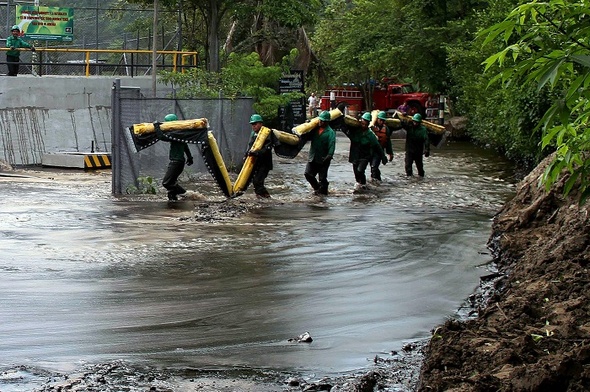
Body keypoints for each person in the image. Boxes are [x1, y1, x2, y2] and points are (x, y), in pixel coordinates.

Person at [342, 111, 387, 190]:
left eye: (366, 124)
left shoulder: (370, 134)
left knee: (360, 170)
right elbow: (345, 130)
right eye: (362, 123)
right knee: (356, 173)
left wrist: (383, 157)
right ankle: (360, 185)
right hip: (355, 154)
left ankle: (363, 185)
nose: (364, 126)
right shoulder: (355, 130)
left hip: (364, 156)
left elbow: (377, 146)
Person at [154, 113, 194, 201]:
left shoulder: (175, 134)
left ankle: (187, 195)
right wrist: (190, 157)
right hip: (179, 162)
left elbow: (162, 137)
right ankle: (173, 201)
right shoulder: (180, 133)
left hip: (176, 162)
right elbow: (185, 146)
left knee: (166, 183)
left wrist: (156, 126)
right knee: (171, 184)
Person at [304, 110, 336, 196]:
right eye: (320, 120)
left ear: (327, 122)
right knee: (308, 174)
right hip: (313, 156)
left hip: (323, 159)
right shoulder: (315, 129)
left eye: (322, 121)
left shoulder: (330, 132)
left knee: (322, 178)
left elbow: (332, 145)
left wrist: (329, 155)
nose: (320, 122)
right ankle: (317, 188)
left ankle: (324, 192)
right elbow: (306, 137)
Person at [246, 114, 273, 198]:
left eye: (255, 124)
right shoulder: (253, 134)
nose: (253, 126)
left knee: (258, 181)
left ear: (261, 124)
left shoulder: (267, 133)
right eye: (252, 124)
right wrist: (246, 155)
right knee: (255, 182)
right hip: (256, 163)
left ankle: (266, 198)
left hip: (264, 163)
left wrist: (257, 153)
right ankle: (260, 196)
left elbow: (267, 148)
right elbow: (250, 146)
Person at [370, 111, 393, 182]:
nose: (382, 122)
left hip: (379, 151)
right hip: (370, 150)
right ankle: (377, 179)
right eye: (380, 120)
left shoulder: (386, 129)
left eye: (383, 120)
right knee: (373, 167)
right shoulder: (371, 127)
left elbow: (388, 142)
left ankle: (375, 181)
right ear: (377, 119)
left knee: (374, 167)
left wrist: (390, 153)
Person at [404, 113, 430, 178]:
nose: (415, 123)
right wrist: (404, 117)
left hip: (418, 151)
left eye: (417, 122)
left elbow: (426, 140)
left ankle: (421, 178)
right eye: (414, 121)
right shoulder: (409, 127)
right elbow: (402, 124)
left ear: (419, 122)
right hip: (409, 150)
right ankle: (409, 178)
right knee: (408, 166)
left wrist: (427, 149)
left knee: (420, 167)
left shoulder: (423, 130)